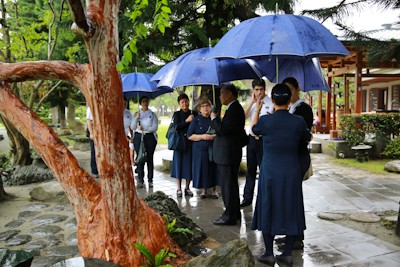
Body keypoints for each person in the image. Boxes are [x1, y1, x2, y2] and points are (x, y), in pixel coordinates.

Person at [251, 83, 312, 266]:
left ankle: (269, 252)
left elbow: (253, 130)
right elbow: (307, 137)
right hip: (291, 170)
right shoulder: (298, 121)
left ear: (274, 100)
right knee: (291, 207)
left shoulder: (266, 121)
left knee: (268, 206)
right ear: (288, 99)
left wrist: (258, 110)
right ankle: (286, 254)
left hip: (269, 170)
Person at [278, 77, 314, 251]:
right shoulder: (290, 109)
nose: (286, 93)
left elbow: (302, 135)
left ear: (297, 89)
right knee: (288, 198)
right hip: (288, 159)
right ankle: (290, 234)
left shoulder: (303, 109)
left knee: (293, 199)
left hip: (298, 158)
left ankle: (297, 237)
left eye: (289, 90)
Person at [211, 84, 245, 226]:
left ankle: (229, 215)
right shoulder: (232, 109)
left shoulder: (235, 109)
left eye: (222, 93)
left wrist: (214, 119)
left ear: (230, 94)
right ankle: (234, 212)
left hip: (228, 154)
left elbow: (224, 130)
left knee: (228, 186)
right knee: (230, 185)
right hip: (228, 153)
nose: (220, 97)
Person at [241, 79, 274, 208]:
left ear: (265, 89)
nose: (259, 92)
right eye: (256, 90)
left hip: (264, 141)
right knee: (250, 170)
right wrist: (251, 102)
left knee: (264, 170)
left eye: (261, 89)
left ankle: (264, 198)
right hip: (251, 141)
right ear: (253, 90)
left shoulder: (271, 103)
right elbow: (243, 117)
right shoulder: (253, 103)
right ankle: (247, 198)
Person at [187, 97, 218, 199]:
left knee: (213, 168)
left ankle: (214, 190)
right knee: (203, 169)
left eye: (207, 106)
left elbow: (220, 131)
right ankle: (204, 190)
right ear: (200, 109)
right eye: (203, 106)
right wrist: (203, 136)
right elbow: (190, 135)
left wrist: (214, 136)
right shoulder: (196, 120)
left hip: (213, 148)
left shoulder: (214, 119)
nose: (205, 108)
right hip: (200, 150)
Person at [170, 94, 197, 197]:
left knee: (188, 166)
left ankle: (187, 188)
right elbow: (176, 127)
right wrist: (186, 121)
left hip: (190, 143)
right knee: (178, 166)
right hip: (179, 143)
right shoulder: (177, 114)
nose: (185, 104)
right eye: (182, 102)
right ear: (179, 104)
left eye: (186, 101)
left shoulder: (193, 113)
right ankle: (179, 189)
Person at [131, 96, 158, 188]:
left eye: (146, 101)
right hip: (139, 137)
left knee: (149, 158)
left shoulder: (152, 114)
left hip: (149, 137)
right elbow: (132, 126)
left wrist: (145, 129)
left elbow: (154, 127)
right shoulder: (137, 114)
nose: (145, 103)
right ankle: (140, 180)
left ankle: (150, 180)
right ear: (140, 103)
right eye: (143, 101)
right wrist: (136, 119)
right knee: (140, 158)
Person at [86, 107, 99, 178]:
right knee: (94, 151)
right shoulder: (91, 107)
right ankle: (94, 170)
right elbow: (89, 120)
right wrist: (91, 133)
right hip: (94, 131)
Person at [123, 97, 134, 166]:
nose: (124, 104)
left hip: (127, 135)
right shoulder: (115, 111)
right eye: (122, 103)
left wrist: (132, 136)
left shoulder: (128, 113)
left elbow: (131, 126)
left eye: (125, 103)